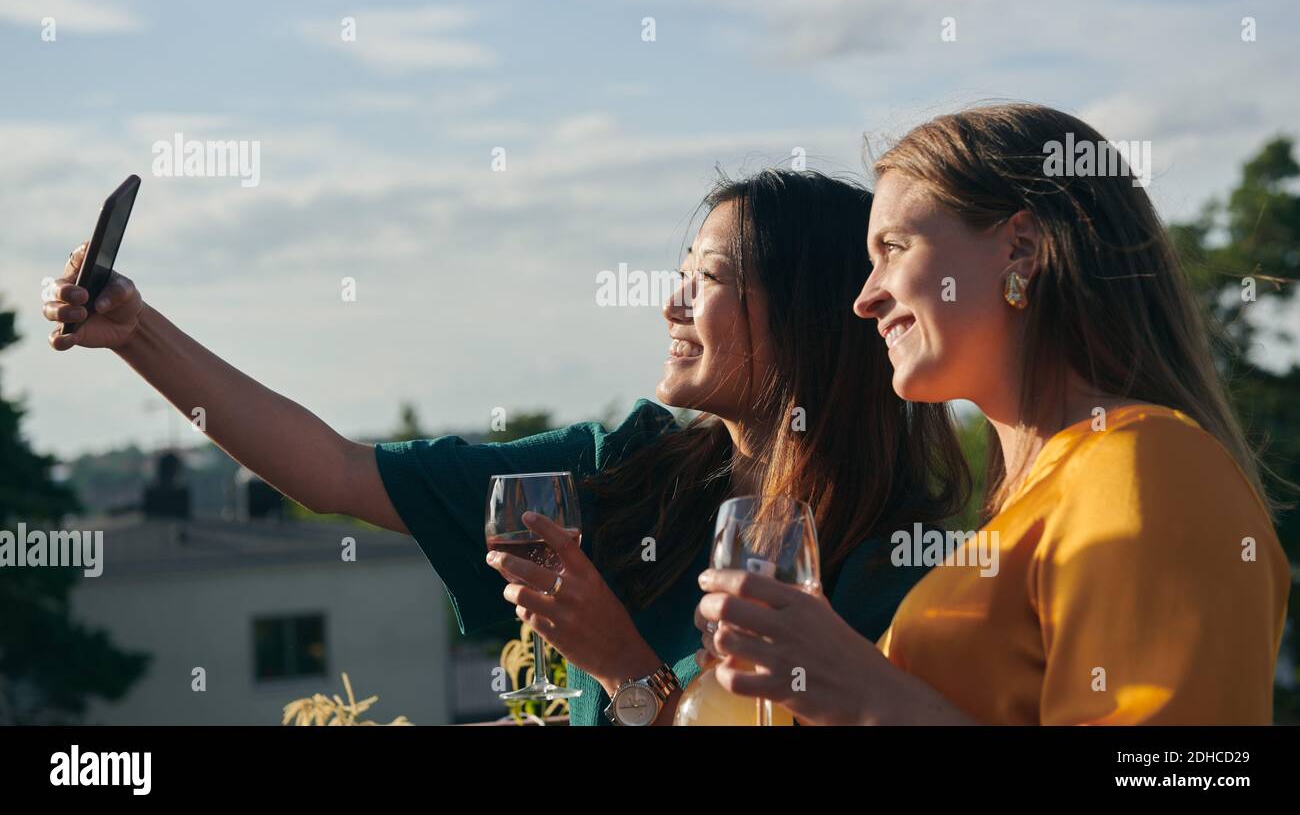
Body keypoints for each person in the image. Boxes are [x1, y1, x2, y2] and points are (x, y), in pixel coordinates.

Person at [44, 167, 969, 726]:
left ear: (806, 317)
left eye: (710, 279)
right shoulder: (626, 468)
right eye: (679, 275)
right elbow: (333, 470)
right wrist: (137, 333)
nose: (671, 302)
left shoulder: (898, 569)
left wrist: (624, 671)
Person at [695, 105, 1291, 725]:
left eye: (893, 249)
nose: (865, 299)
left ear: (1021, 248)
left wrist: (870, 696)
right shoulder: (1041, 501)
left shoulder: (1146, 465)